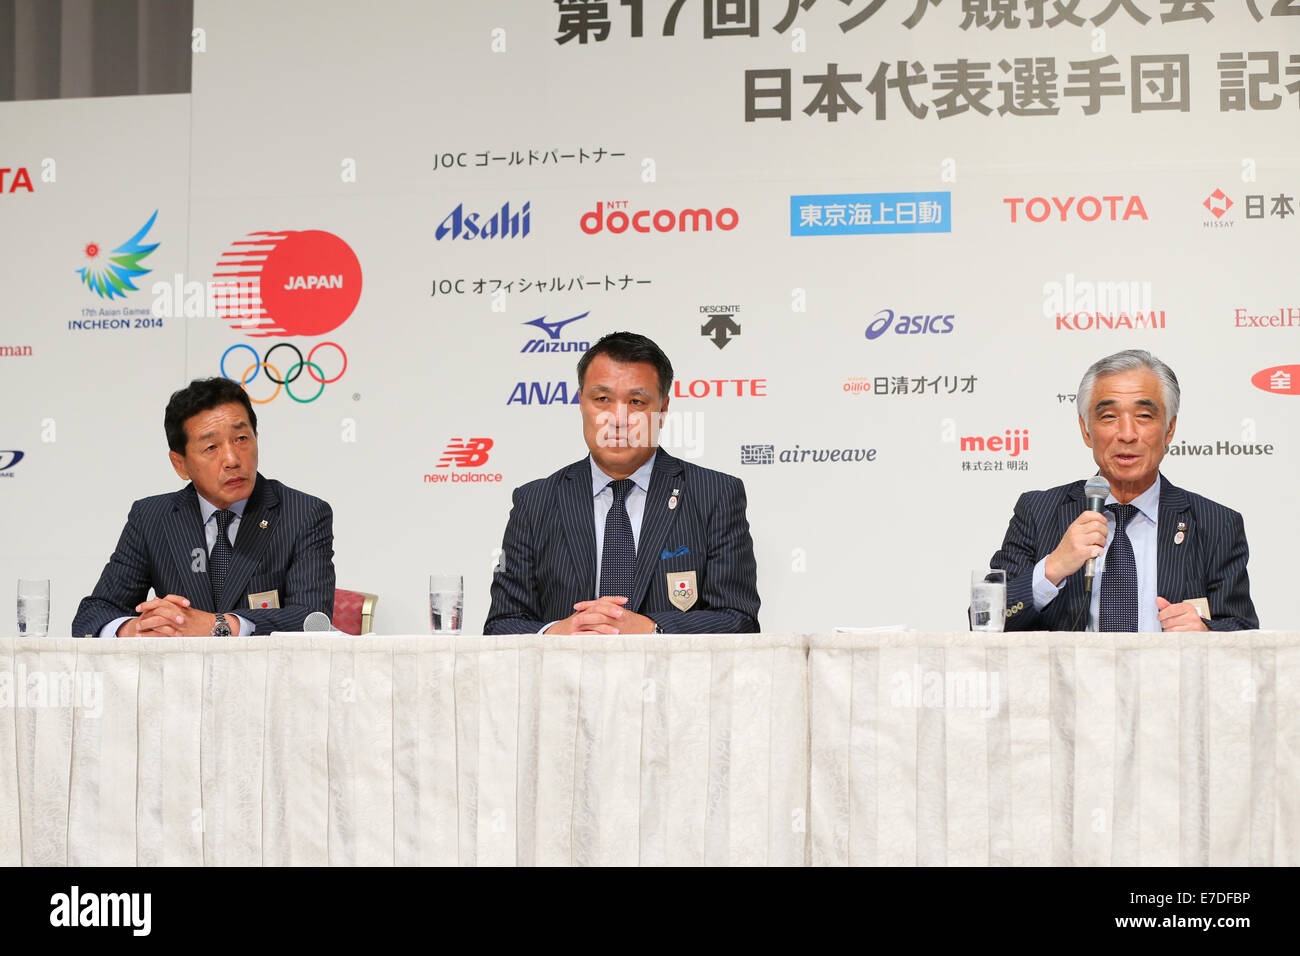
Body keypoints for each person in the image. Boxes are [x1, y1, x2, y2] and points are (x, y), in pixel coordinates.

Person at [485, 331, 760, 635]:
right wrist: (559, 633)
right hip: (565, 679)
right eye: (602, 399)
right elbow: (501, 624)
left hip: (672, 680)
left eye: (636, 401)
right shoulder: (534, 502)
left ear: (662, 409)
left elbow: (739, 620)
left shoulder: (715, 495)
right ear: (581, 402)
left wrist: (653, 630)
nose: (618, 418)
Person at [989, 349, 1257, 632]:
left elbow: (1244, 631)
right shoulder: (1038, 512)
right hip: (1068, 678)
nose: (1127, 434)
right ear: (1086, 429)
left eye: (1144, 415)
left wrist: (1206, 632)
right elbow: (986, 619)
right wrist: (1052, 567)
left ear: (1169, 429)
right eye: (1108, 417)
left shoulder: (1216, 523)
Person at [72, 377, 335, 637]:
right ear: (180, 464)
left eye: (242, 438)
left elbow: (312, 618)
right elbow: (94, 613)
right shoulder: (151, 518)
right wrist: (138, 630)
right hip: (177, 676)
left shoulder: (303, 514)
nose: (232, 459)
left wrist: (219, 625)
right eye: (211, 447)